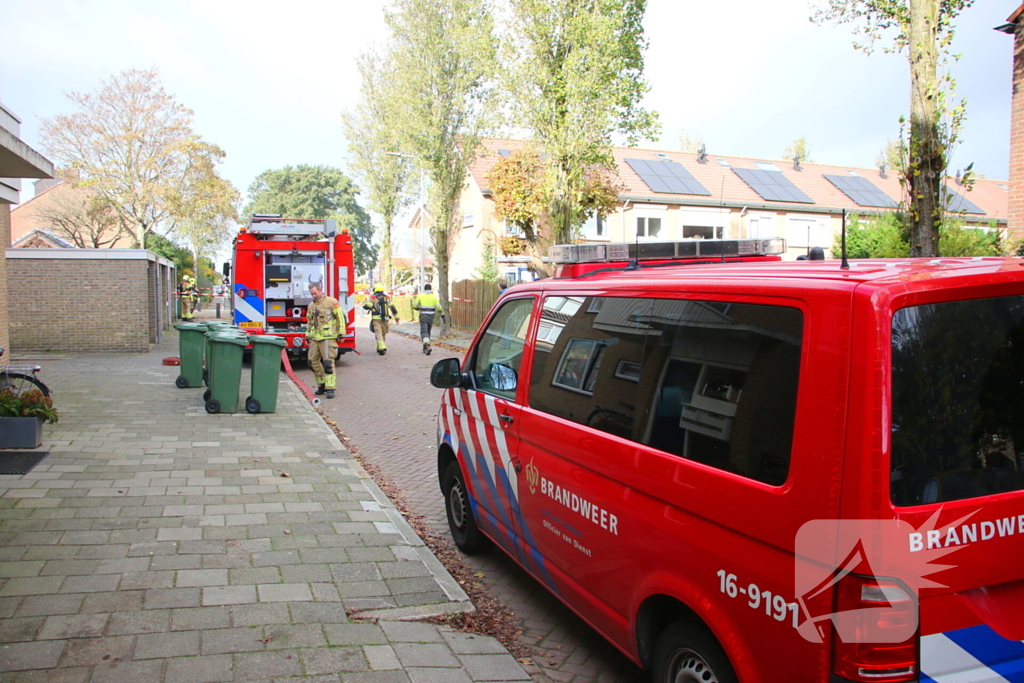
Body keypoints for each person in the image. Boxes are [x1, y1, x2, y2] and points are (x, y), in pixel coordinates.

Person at [305, 282, 345, 399]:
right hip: (316, 338)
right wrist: (308, 334)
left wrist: (341, 332)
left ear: (320, 290)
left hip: (328, 337)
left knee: (328, 363)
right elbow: (310, 321)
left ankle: (330, 388)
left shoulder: (332, 302)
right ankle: (321, 384)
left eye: (315, 293)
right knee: (312, 362)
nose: (313, 296)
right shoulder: (311, 306)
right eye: (312, 294)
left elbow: (340, 317)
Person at [363, 284, 398, 355]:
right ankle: (380, 347)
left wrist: (365, 305)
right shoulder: (387, 297)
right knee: (383, 333)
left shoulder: (373, 297)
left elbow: (368, 305)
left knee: (378, 333)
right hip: (385, 318)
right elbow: (392, 307)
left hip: (376, 318)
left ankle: (381, 348)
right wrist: (396, 318)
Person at [411, 283, 445, 355]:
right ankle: (425, 347)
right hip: (431, 316)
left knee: (424, 332)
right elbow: (439, 307)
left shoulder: (420, 296)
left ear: (424, 289)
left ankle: (427, 344)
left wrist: (417, 308)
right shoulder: (434, 297)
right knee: (428, 331)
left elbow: (414, 305)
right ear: (430, 289)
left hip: (423, 315)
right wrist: (443, 315)